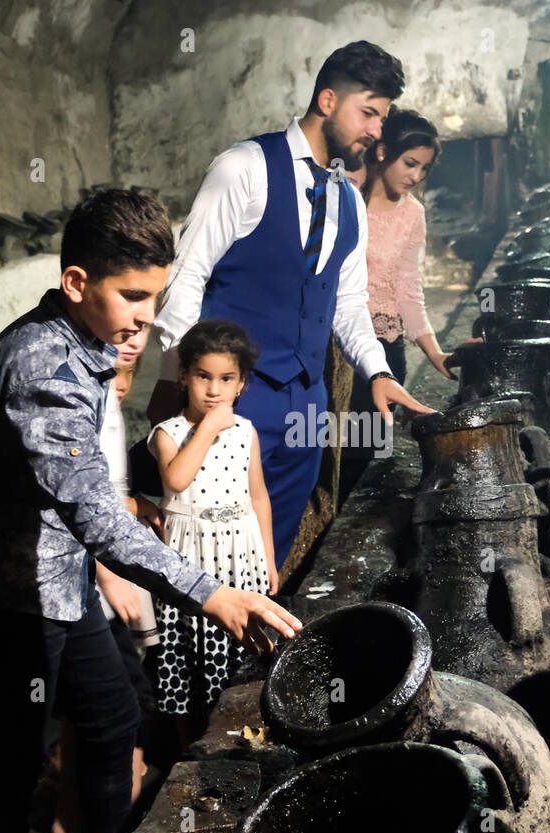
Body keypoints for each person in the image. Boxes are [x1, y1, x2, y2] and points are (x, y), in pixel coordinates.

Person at [0, 188, 300, 833]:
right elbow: (96, 514)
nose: (146, 316)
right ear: (76, 283)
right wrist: (214, 594)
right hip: (5, 600)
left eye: (154, 296)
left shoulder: (83, 347)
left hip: (59, 583)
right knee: (8, 768)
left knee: (111, 715)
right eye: (132, 295)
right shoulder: (42, 367)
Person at [146, 40, 435, 572]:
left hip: (308, 409)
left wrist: (376, 370)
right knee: (205, 560)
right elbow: (184, 283)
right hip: (232, 402)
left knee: (267, 558)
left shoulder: (350, 201)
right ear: (327, 100)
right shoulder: (243, 169)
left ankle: (257, 654)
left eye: (383, 117)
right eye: (368, 113)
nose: (376, 131)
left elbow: (347, 304)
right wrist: (189, 393)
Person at [50, 344, 160, 833]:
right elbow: (77, 500)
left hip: (96, 576)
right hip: (88, 581)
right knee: (123, 697)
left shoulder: (108, 410)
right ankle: (115, 810)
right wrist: (108, 571)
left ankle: (72, 811)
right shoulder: (77, 407)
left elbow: (111, 493)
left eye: (123, 376)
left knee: (86, 703)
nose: (115, 383)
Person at [148, 320, 276, 746]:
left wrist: (270, 560)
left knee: (242, 656)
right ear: (183, 375)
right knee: (187, 657)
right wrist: (207, 427)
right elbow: (178, 479)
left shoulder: (246, 432)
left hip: (243, 558)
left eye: (226, 379)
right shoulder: (168, 434)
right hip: (191, 561)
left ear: (242, 383)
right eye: (203, 376)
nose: (214, 390)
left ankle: (242, 736)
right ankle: (188, 749)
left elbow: (258, 497)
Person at [340, 107, 458, 501]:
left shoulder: (413, 215)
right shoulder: (343, 198)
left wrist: (435, 351)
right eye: (410, 163)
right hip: (336, 351)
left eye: (424, 169)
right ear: (382, 152)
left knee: (369, 455)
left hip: (385, 353)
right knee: (323, 449)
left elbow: (409, 289)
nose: (416, 176)